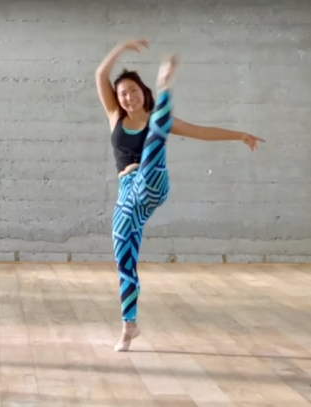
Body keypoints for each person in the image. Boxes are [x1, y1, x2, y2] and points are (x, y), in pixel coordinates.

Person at [95, 40, 265, 352]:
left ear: (143, 92)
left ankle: (166, 86)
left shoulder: (158, 120)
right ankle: (129, 325)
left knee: (154, 139)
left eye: (133, 91)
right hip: (128, 195)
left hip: (153, 182)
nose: (129, 97)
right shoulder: (114, 118)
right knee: (123, 257)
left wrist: (240, 135)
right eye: (123, 94)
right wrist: (121, 47)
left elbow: (203, 131)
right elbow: (100, 74)